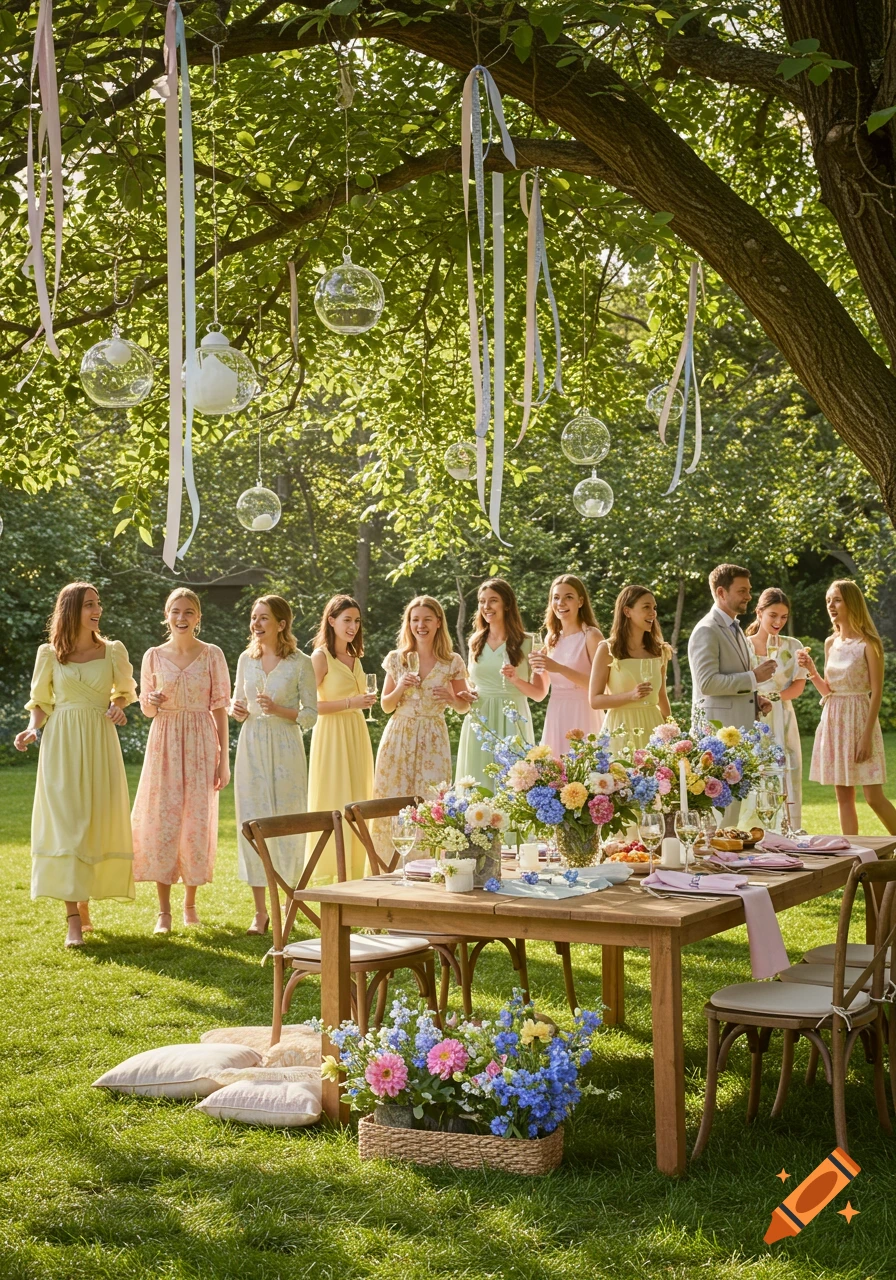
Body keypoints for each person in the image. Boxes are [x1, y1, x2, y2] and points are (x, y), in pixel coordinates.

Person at [14, 582, 136, 948]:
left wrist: (119, 707)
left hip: (100, 740)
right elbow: (40, 702)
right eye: (88, 605)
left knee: (93, 822)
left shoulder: (113, 651)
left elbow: (126, 692)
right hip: (62, 743)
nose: (97, 610)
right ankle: (72, 918)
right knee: (67, 825)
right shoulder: (49, 654)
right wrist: (32, 730)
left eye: (98, 603)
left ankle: (83, 902)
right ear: (71, 610)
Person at [131, 589, 231, 933]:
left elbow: (220, 709)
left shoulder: (213, 655)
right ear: (166, 615)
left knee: (195, 822)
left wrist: (224, 759)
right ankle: (164, 912)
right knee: (163, 820)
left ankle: (190, 904)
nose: (182, 617)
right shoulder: (153, 656)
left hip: (202, 741)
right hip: (164, 741)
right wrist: (151, 700)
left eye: (189, 612)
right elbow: (146, 710)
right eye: (175, 611)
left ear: (198, 618)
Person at [230, 596, 318, 934]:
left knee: (286, 822)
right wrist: (236, 711)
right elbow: (238, 703)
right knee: (253, 822)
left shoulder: (301, 662)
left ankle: (289, 901)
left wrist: (278, 709)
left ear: (281, 624)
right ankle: (260, 912)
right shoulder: (244, 659)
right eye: (254, 617)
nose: (256, 623)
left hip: (286, 746)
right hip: (252, 744)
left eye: (263, 617)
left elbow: (310, 714)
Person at [372, 595, 473, 860]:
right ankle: (388, 866)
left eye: (427, 619)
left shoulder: (452, 661)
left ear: (438, 622)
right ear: (408, 624)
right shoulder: (397, 659)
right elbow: (385, 706)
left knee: (430, 804)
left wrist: (451, 699)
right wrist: (400, 686)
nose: (421, 625)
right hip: (398, 736)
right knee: (392, 800)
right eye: (415, 620)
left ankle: (428, 867)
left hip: (433, 738)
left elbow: (464, 706)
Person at [800, 579, 896, 836]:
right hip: (834, 719)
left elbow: (876, 692)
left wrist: (866, 737)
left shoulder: (869, 643)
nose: (831, 605)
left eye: (837, 599)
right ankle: (854, 859)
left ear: (851, 603)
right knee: (843, 795)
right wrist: (811, 670)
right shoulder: (831, 643)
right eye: (828, 600)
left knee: (874, 796)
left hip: (860, 720)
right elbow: (828, 691)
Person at [306, 594, 376, 882]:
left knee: (359, 799)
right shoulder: (321, 657)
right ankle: (331, 871)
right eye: (347, 620)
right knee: (335, 798)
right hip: (332, 736)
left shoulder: (355, 657)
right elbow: (308, 707)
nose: (353, 626)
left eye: (357, 621)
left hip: (357, 733)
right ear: (331, 621)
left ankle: (356, 873)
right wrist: (350, 704)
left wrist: (360, 704)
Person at [454, 578, 548, 788]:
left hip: (513, 719)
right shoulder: (474, 642)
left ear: (507, 604)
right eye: (482, 601)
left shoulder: (529, 642)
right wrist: (469, 694)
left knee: (512, 786)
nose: (486, 607)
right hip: (480, 719)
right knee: (477, 784)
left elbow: (540, 693)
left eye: (493, 600)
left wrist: (516, 679)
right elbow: (473, 683)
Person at [744, 588, 806, 830]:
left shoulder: (793, 645)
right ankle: (754, 830)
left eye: (784, 617)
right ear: (759, 613)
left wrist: (774, 697)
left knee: (788, 771)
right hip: (752, 717)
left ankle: (788, 829)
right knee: (755, 772)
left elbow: (798, 685)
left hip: (783, 717)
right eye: (773, 615)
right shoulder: (743, 645)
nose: (779, 622)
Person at [688, 563, 775, 734]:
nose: (749, 596)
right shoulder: (707, 629)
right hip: (716, 735)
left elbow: (731, 678)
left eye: (749, 590)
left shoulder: (735, 627)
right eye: (742, 591)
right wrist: (754, 677)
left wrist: (753, 699)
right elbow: (708, 684)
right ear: (721, 592)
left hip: (738, 733)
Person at [589, 585, 671, 751]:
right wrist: (631, 696)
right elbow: (595, 700)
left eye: (654, 608)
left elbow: (662, 696)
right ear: (627, 611)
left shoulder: (659, 651)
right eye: (646, 607)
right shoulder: (607, 649)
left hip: (653, 728)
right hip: (620, 730)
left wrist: (671, 730)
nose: (653, 613)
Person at [530, 574, 604, 756]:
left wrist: (559, 668)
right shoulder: (551, 639)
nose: (561, 603)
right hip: (556, 712)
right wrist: (535, 668)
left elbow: (602, 687)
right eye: (556, 598)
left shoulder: (592, 636)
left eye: (568, 597)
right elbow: (541, 690)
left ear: (580, 601)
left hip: (584, 712)